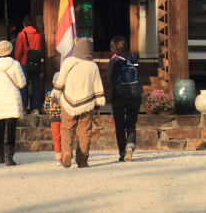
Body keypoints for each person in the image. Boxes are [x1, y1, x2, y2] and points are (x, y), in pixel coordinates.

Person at [51, 38, 105, 168]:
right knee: (84, 131)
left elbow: (60, 82)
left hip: (68, 102)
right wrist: (97, 106)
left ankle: (67, 152)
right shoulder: (93, 66)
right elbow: (97, 86)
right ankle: (82, 160)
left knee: (66, 129)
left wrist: (54, 99)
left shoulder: (68, 61)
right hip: (87, 103)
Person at [0, 39, 26, 166]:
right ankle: (9, 158)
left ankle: (0, 156)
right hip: (12, 99)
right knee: (11, 130)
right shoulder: (15, 64)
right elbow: (22, 83)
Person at [106, 36, 141, 162]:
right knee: (131, 124)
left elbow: (110, 80)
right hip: (134, 96)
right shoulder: (134, 59)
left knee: (120, 125)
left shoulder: (113, 61)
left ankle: (122, 152)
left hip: (118, 96)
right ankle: (130, 146)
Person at [13, 16, 44, 114]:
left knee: (23, 86)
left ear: (24, 24)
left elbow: (18, 50)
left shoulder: (21, 34)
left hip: (24, 62)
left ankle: (24, 108)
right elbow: (40, 49)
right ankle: (36, 109)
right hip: (35, 63)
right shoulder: (38, 35)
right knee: (36, 86)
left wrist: (16, 61)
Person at [43, 72, 63, 166]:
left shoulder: (49, 94)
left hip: (54, 119)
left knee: (56, 138)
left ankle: (58, 158)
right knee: (66, 137)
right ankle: (66, 153)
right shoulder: (65, 94)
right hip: (64, 119)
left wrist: (51, 112)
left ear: (53, 83)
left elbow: (46, 107)